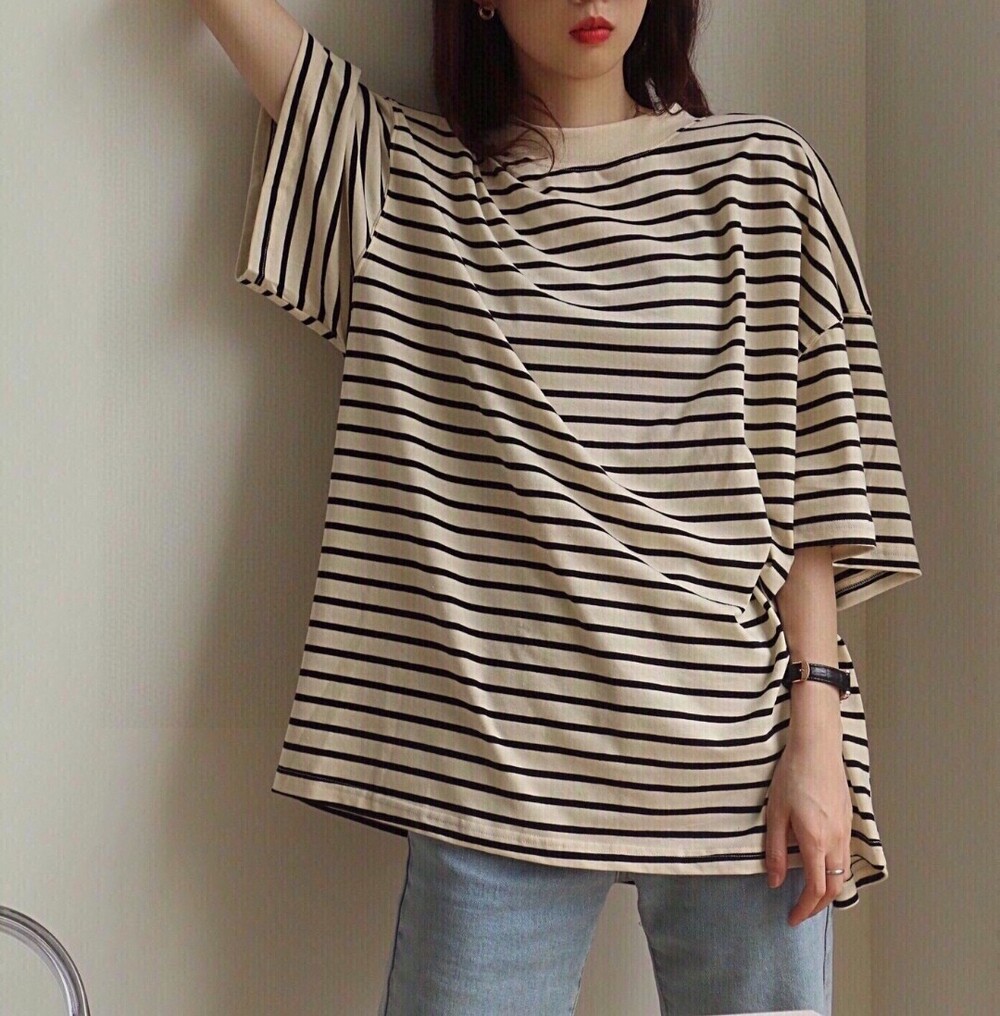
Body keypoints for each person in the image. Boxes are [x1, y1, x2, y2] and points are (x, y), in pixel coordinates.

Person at [194, 1, 922, 1013]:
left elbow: (814, 486)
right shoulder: (405, 180)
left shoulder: (762, 177)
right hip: (493, 771)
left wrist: (820, 735)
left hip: (742, 761)